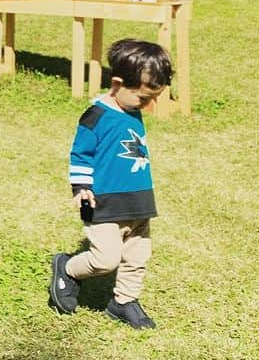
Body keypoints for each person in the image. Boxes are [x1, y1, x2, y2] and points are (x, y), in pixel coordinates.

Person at [48, 37, 173, 330]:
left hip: (138, 200)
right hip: (102, 201)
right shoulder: (97, 116)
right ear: (117, 84)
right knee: (105, 260)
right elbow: (81, 154)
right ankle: (67, 268)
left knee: (137, 257)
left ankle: (123, 302)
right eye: (144, 98)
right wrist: (81, 189)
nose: (149, 105)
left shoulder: (130, 107)